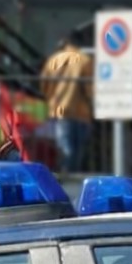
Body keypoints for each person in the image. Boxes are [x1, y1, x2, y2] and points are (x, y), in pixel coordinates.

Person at [39, 33, 95, 173]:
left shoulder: (53, 60)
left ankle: (65, 176)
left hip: (60, 109)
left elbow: (44, 85)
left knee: (64, 148)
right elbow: (90, 89)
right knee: (78, 150)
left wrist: (51, 99)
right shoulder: (85, 60)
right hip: (81, 112)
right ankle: (74, 178)